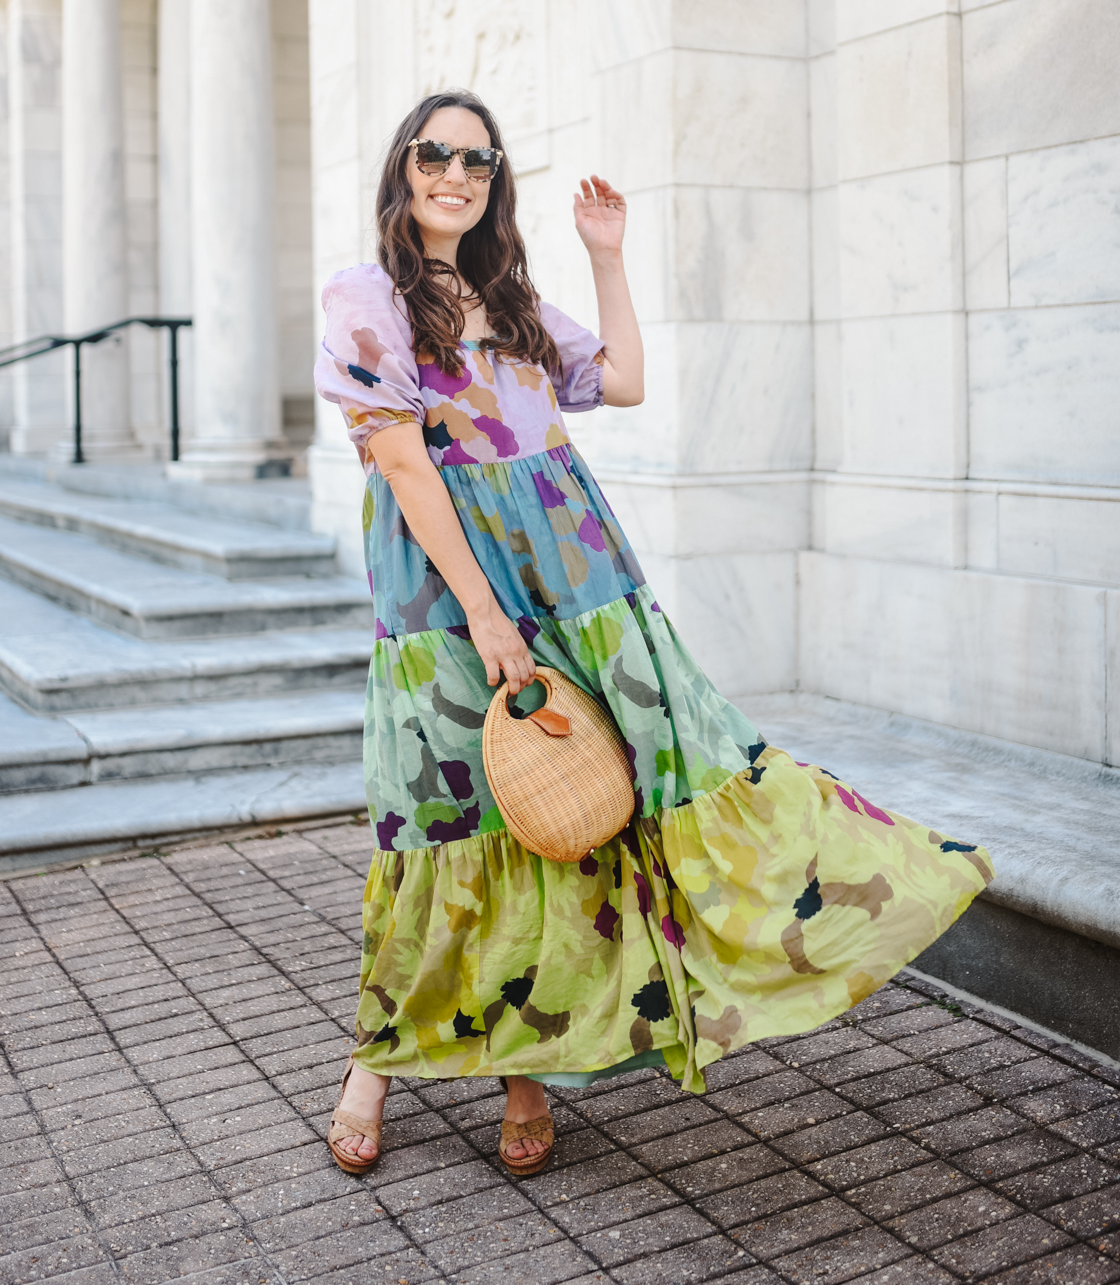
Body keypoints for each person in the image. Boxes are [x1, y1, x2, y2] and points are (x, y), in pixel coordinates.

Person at [314, 89, 993, 1178]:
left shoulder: (511, 293)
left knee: (606, 794)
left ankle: (526, 1067)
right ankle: (371, 1065)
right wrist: (485, 611)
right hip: (448, 593)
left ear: (495, 184)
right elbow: (399, 462)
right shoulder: (367, 296)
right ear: (402, 167)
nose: (454, 173)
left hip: (579, 575)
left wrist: (608, 256)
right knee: (443, 817)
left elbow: (621, 384)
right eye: (434, 153)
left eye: (478, 162)